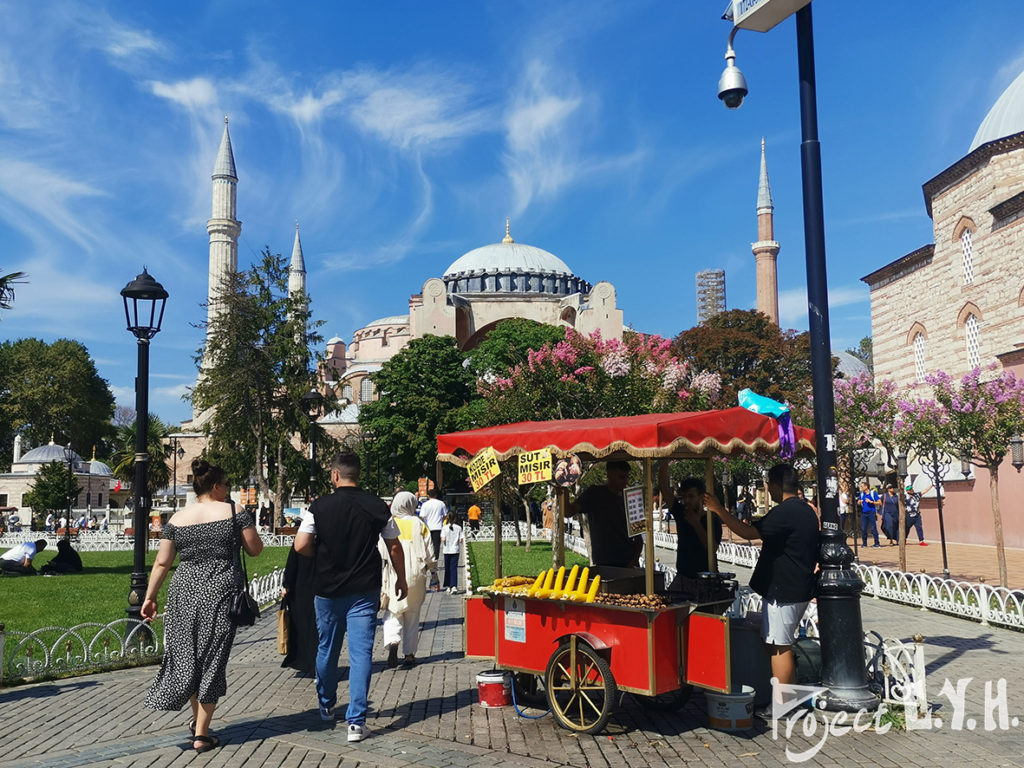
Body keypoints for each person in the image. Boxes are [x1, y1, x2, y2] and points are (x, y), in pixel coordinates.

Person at [142, 460, 263, 754]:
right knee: (212, 659)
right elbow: (255, 549)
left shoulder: (177, 519)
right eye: (226, 486)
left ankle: (198, 724)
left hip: (183, 592)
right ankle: (202, 734)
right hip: (220, 593)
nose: (227, 491)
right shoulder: (235, 512)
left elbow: (162, 562)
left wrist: (150, 596)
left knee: (189, 657)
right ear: (216, 486)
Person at [294, 452, 407, 743]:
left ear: (334, 475)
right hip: (363, 590)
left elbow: (301, 544)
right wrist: (401, 579)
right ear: (357, 475)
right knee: (361, 655)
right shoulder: (377, 506)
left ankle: (327, 704)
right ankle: (356, 722)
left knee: (327, 649)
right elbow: (394, 546)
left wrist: (318, 555)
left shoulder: (318, 506)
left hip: (327, 590)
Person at [704, 463, 819, 719]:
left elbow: (747, 532)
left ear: (776, 485)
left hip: (784, 590)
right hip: (796, 585)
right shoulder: (806, 510)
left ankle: (783, 707)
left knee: (780, 646)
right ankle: (790, 700)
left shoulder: (785, 512)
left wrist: (718, 509)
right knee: (777, 644)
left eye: (769, 485)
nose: (768, 489)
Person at [380, 491, 433, 669]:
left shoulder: (390, 524)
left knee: (393, 612)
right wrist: (434, 572)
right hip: (417, 573)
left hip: (395, 571)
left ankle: (393, 641)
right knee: (413, 614)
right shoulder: (419, 523)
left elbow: (381, 550)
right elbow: (430, 553)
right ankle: (409, 654)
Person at [566, 461, 643, 568]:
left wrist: (633, 562)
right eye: (621, 477)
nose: (625, 482)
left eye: (626, 478)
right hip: (604, 562)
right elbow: (569, 512)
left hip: (628, 562)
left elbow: (639, 538)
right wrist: (563, 489)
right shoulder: (594, 493)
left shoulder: (632, 498)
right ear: (609, 474)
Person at [658, 465, 722, 577]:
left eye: (691, 496)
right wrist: (665, 458)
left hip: (706, 577)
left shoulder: (712, 519)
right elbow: (664, 487)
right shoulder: (681, 513)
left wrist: (696, 524)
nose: (687, 500)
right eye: (684, 497)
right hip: (683, 576)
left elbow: (712, 548)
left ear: (701, 497)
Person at [280, 547, 318, 677]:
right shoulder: (328, 538)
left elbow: (292, 565)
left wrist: (286, 585)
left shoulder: (302, 541)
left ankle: (308, 663)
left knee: (304, 629)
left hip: (301, 590)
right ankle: (316, 664)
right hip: (322, 588)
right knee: (318, 630)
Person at [419, 487, 447, 586]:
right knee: (436, 545)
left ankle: (429, 561)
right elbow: (445, 515)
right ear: (436, 495)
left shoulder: (425, 504)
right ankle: (434, 562)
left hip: (428, 527)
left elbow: (422, 516)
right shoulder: (441, 503)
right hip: (438, 527)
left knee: (427, 545)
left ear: (428, 495)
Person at [440, 513, 464, 594]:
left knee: (447, 568)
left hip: (447, 550)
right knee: (454, 568)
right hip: (455, 550)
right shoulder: (459, 528)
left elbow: (443, 539)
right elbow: (461, 540)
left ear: (447, 518)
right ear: (455, 518)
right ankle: (454, 586)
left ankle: (448, 586)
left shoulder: (444, 528)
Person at [858, 481, 881, 548]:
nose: (861, 488)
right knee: (863, 529)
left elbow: (880, 502)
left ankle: (877, 543)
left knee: (873, 528)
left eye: (862, 486)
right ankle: (864, 543)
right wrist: (859, 502)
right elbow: (858, 502)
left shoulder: (873, 493)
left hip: (871, 512)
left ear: (866, 486)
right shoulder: (862, 494)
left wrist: (871, 502)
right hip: (864, 513)